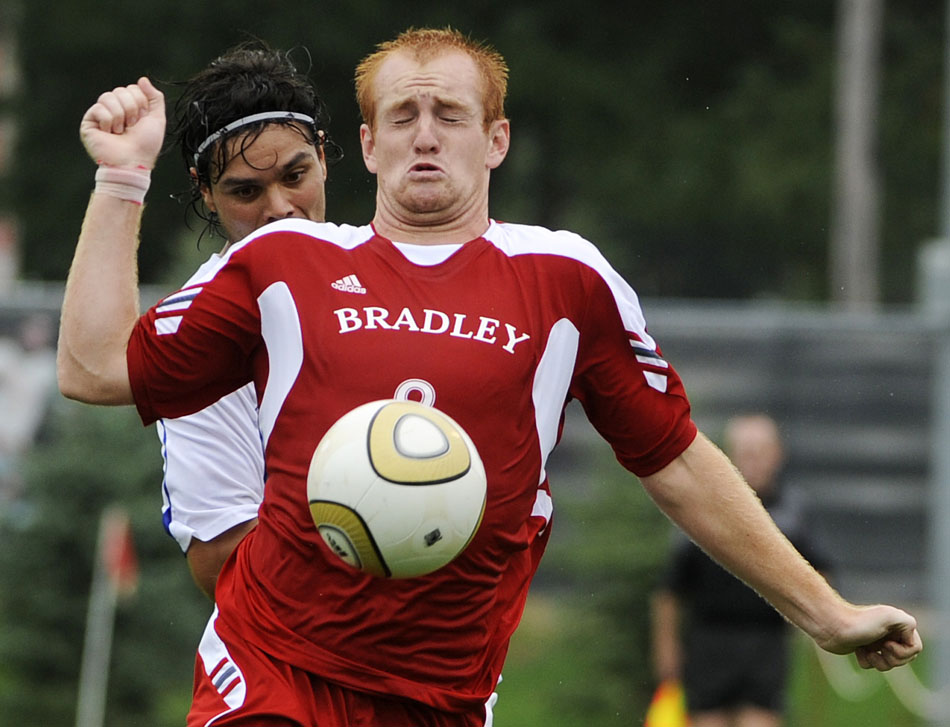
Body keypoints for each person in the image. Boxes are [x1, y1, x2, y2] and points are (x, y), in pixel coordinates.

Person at [58, 27, 922, 727]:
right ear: (366, 143)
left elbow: (679, 460)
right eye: (402, 115)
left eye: (449, 114)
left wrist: (826, 611)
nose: (425, 133)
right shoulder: (282, 262)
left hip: (444, 694)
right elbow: (94, 367)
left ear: (496, 138)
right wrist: (122, 174)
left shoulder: (566, 278)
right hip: (274, 671)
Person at [155, 42, 341, 599]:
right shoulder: (200, 329)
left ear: (324, 157)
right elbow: (219, 559)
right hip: (286, 667)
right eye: (245, 190)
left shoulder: (398, 271)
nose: (280, 206)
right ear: (206, 193)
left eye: (295, 174)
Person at [651, 414, 827, 727]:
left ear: (777, 454)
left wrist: (818, 625)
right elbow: (670, 590)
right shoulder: (701, 510)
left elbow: (821, 573)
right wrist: (667, 648)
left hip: (766, 642)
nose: (755, 461)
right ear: (729, 455)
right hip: (710, 641)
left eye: (761, 452)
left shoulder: (795, 513)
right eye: (746, 452)